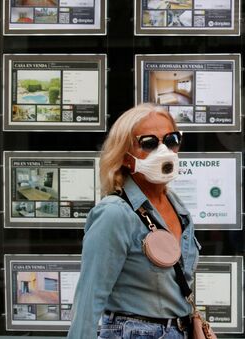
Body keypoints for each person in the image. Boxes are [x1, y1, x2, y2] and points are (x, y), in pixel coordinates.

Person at [67, 103, 200, 338]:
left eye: (171, 139)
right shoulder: (114, 213)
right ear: (125, 157)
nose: (164, 150)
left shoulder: (177, 207)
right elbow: (89, 299)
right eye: (149, 143)